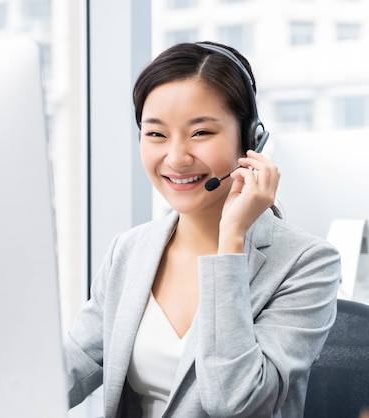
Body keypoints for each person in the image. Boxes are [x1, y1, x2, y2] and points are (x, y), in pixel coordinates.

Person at [62, 41, 341, 418]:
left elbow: (234, 402)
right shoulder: (129, 250)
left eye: (200, 133)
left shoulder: (307, 263)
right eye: (156, 134)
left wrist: (230, 244)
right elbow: (73, 366)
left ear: (251, 139)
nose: (176, 158)